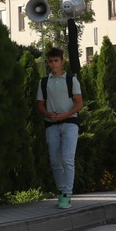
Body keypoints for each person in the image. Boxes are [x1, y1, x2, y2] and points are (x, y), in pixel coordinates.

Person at [36, 47, 83, 209]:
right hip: (51, 124)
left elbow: (79, 103)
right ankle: (61, 191)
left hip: (70, 123)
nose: (53, 64)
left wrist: (66, 115)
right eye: (50, 61)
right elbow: (40, 105)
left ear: (62, 62)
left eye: (56, 60)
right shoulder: (43, 82)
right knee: (55, 161)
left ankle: (67, 195)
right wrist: (47, 114)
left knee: (67, 159)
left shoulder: (71, 80)